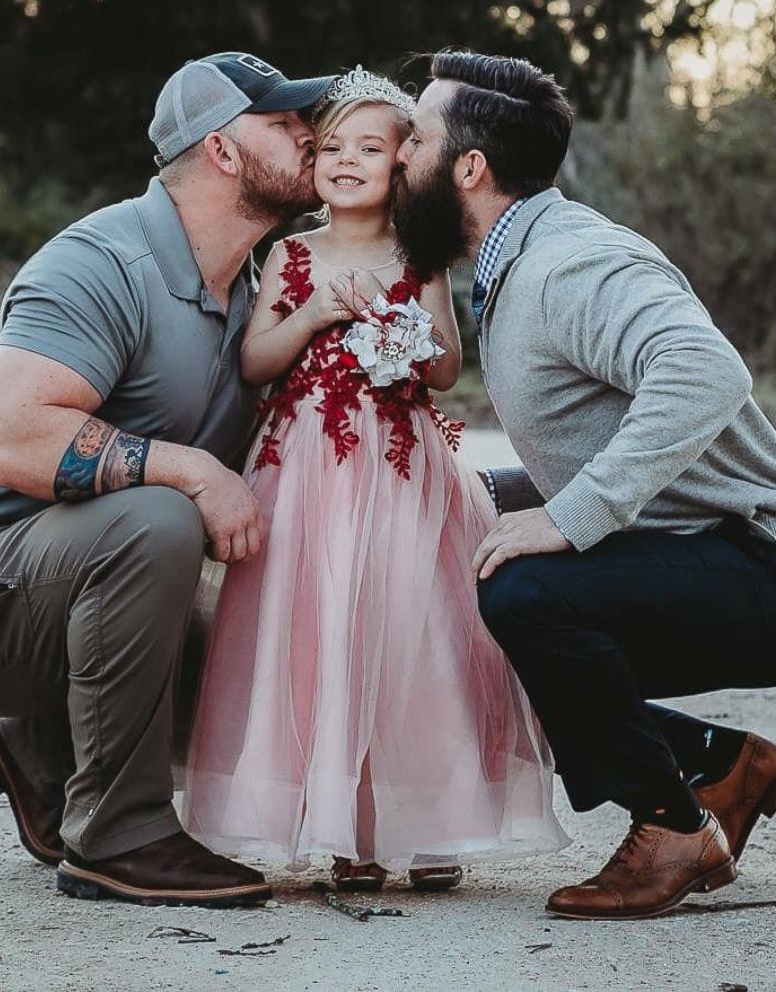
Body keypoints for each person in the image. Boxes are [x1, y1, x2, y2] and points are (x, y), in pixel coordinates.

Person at [392, 50, 776, 919]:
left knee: (528, 595)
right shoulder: (516, 260)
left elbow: (703, 371)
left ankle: (671, 827)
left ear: (469, 167)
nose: (394, 155)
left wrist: (573, 517)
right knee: (475, 558)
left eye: (413, 139)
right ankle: (721, 767)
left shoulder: (570, 261)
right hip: (713, 551)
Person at [0, 52, 337, 908]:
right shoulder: (100, 261)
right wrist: (192, 470)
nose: (310, 136)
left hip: (76, 588)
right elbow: (18, 441)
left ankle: (43, 751)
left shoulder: (257, 295)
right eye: (284, 123)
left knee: (275, 664)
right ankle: (117, 835)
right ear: (220, 149)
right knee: (158, 518)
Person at [181, 67, 567, 893]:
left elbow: (445, 369)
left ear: (403, 166)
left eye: (370, 147)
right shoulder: (288, 254)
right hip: (306, 475)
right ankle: (348, 831)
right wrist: (315, 314)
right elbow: (254, 361)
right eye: (330, 148)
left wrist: (401, 334)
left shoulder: (416, 254)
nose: (345, 161)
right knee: (319, 638)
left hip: (401, 476)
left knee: (408, 635)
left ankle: (428, 828)